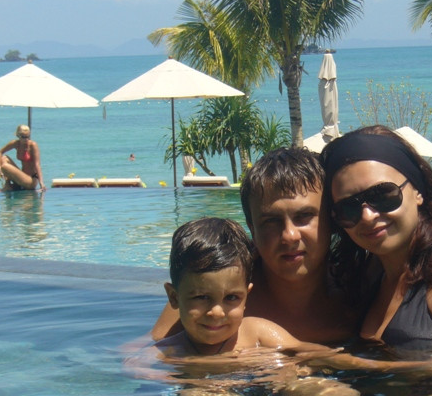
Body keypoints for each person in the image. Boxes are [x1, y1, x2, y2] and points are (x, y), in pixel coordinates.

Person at [131, 217, 364, 396]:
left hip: (269, 388)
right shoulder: (169, 349)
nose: (217, 312)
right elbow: (135, 367)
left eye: (231, 298)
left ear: (246, 297)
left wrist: (366, 364)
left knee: (339, 394)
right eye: (201, 297)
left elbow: (307, 350)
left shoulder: (255, 331)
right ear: (174, 297)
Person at [320, 125, 432, 361]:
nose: (367, 216)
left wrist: (323, 359)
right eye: (348, 207)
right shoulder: (368, 275)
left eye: (382, 195)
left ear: (418, 190)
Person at [151, 147, 356, 344]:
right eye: (271, 221)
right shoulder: (219, 281)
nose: (289, 236)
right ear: (252, 229)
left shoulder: (357, 289)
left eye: (304, 216)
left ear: (332, 220)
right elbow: (149, 355)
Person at [0, 125, 46, 191]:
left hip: (31, 180)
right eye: (23, 137)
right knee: (4, 158)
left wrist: (41, 183)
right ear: (18, 135)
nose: (26, 139)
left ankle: (9, 186)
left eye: (27, 136)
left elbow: (37, 165)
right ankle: (8, 184)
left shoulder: (33, 145)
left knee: (5, 166)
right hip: (22, 176)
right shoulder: (16, 143)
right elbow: (0, 152)